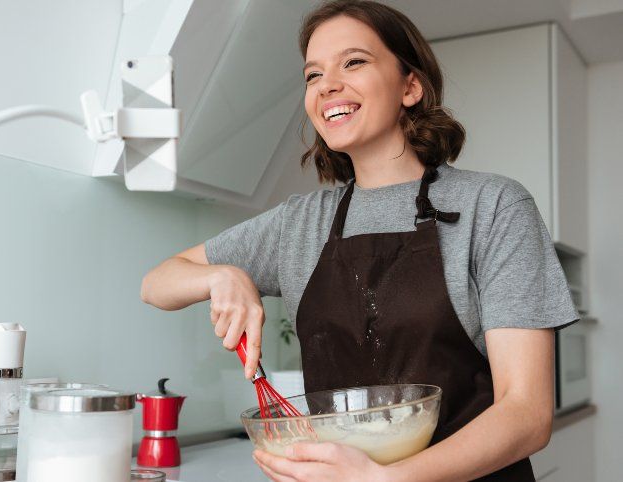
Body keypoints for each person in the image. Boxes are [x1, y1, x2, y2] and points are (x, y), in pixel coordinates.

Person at [140, 1, 579, 480]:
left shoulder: (493, 206)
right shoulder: (299, 224)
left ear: (410, 86)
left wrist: (380, 480)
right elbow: (158, 283)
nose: (327, 84)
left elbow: (526, 415)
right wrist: (222, 276)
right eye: (312, 74)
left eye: (353, 62)